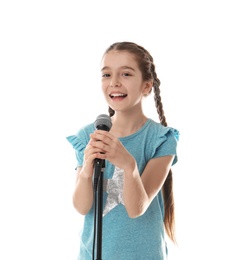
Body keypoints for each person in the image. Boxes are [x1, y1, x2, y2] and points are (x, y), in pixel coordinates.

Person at [66, 41, 179, 260]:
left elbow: (136, 208)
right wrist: (86, 171)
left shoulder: (160, 139)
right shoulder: (88, 135)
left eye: (126, 74)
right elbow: (82, 207)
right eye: (106, 75)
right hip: (93, 255)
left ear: (147, 86)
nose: (114, 83)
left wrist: (129, 165)